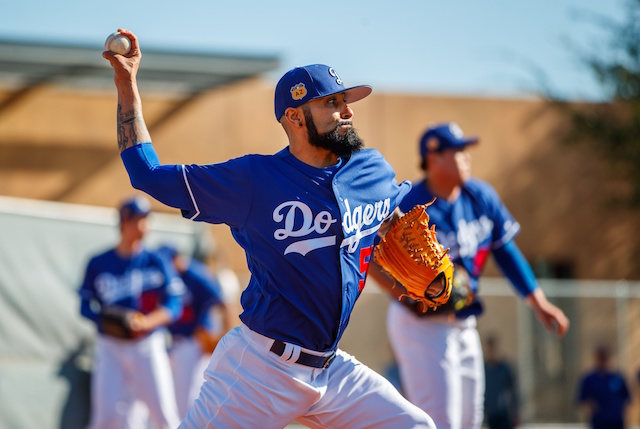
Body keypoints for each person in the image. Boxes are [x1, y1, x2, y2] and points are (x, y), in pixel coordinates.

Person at [103, 28, 436, 429]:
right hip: (260, 370)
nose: (347, 110)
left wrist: (413, 262)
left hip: (330, 371)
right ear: (295, 117)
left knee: (416, 426)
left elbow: (387, 221)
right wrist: (127, 82)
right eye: (331, 102)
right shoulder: (254, 180)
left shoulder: (372, 170)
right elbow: (148, 175)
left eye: (345, 100)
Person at [369, 122, 570, 429]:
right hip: (420, 325)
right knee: (440, 421)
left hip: (464, 320)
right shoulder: (408, 202)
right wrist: (403, 295)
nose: (466, 157)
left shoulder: (479, 196)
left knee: (470, 420)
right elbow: (370, 257)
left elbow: (506, 252)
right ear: (433, 159)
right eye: (458, 151)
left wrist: (538, 301)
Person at [78, 196, 184, 429]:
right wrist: (108, 322)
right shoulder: (98, 263)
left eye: (146, 219)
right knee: (104, 417)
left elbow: (175, 304)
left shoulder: (157, 261)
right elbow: (85, 307)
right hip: (110, 347)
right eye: (138, 220)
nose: (144, 226)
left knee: (164, 416)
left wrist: (147, 322)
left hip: (147, 345)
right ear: (124, 223)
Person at [156, 244, 236, 419]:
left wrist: (226, 337)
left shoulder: (194, 273)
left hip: (196, 341)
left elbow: (224, 302)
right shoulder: (168, 280)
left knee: (190, 400)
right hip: (178, 345)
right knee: (178, 401)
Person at [577, 344, 630, 429]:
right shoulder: (589, 379)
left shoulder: (616, 377)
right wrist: (591, 408)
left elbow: (627, 398)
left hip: (617, 421)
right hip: (599, 422)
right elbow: (582, 399)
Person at [483, 335, 518, 429]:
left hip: (504, 413)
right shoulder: (483, 370)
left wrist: (515, 412)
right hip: (490, 414)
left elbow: (513, 391)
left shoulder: (505, 368)